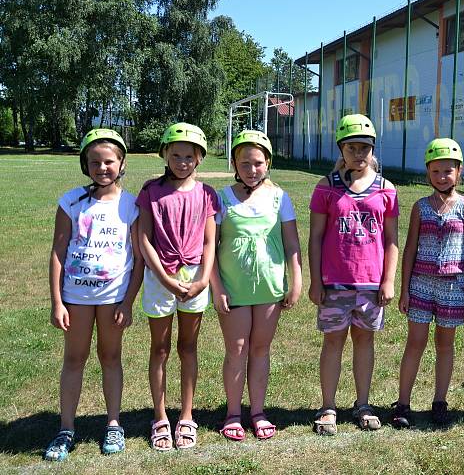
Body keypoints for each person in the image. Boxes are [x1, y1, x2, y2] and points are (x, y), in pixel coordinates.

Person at [44, 129, 144, 461]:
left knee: (110, 358)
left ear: (122, 163)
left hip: (114, 297)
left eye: (109, 161)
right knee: (74, 360)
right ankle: (66, 428)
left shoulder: (131, 205)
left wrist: (128, 301)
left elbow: (139, 258)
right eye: (94, 162)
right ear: (85, 165)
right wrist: (57, 301)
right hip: (76, 297)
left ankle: (113, 424)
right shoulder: (70, 201)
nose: (102, 167)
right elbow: (58, 250)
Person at [308, 114, 399, 435]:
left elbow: (391, 240)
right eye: (351, 147)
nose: (358, 153)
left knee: (364, 342)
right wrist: (316, 281)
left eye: (364, 147)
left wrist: (388, 280)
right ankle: (328, 406)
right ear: (341, 149)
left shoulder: (386, 189)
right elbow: (316, 237)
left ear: (373, 149)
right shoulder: (326, 188)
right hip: (334, 284)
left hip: (371, 286)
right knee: (332, 343)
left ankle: (363, 404)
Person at [211, 130, 302, 441]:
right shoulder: (221, 198)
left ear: (268, 163)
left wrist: (296, 280)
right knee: (237, 350)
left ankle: (258, 412)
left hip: (269, 287)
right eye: (245, 163)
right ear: (235, 163)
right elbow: (210, 247)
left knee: (261, 349)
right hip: (234, 288)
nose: (252, 169)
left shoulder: (280, 198)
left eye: (258, 163)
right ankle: (234, 413)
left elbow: (292, 243)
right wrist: (217, 287)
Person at [391, 138, 464, 428]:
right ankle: (403, 403)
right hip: (420, 285)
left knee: (445, 345)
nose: (442, 177)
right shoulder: (420, 207)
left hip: (453, 288)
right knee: (415, 343)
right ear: (427, 173)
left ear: (459, 172)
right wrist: (404, 289)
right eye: (435, 171)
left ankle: (439, 402)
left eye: (448, 171)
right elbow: (409, 249)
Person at [137, 123, 218, 450]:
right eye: (176, 155)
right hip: (160, 279)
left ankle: (186, 415)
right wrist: (166, 279)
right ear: (165, 155)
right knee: (160, 348)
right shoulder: (151, 191)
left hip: (195, 278)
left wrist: (201, 279)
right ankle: (160, 417)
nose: (182, 161)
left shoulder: (206, 193)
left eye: (189, 156)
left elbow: (211, 241)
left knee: (188, 348)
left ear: (199, 158)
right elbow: (143, 238)